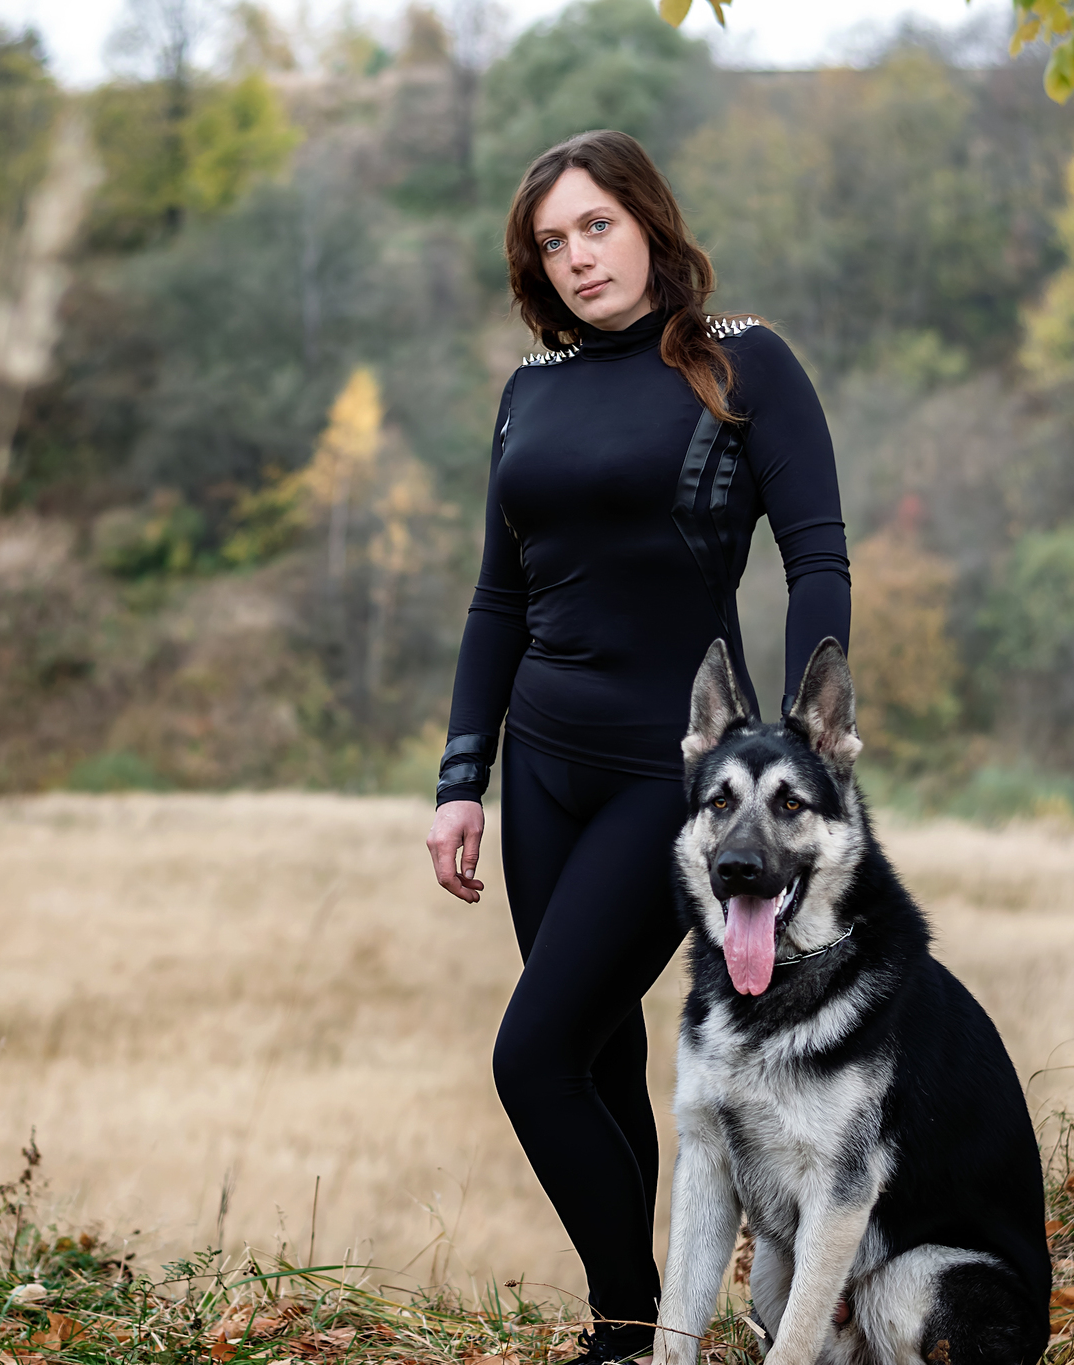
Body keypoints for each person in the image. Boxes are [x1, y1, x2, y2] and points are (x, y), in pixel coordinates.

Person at [423, 129, 851, 1365]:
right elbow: (496, 601)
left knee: (531, 1055)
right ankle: (636, 1330)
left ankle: (626, 1332)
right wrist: (464, 780)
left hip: (676, 785)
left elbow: (814, 554)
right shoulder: (528, 390)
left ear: (651, 224)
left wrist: (797, 750)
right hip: (543, 765)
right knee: (598, 1060)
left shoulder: (743, 367)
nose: (575, 258)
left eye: (595, 226)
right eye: (551, 242)